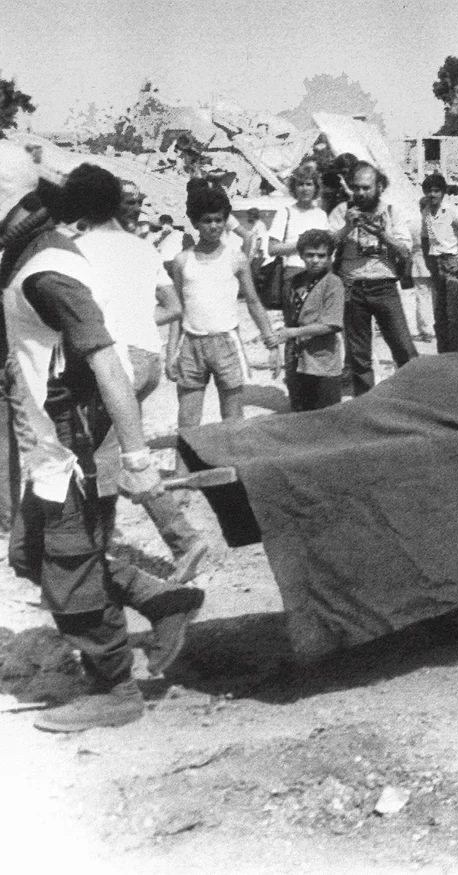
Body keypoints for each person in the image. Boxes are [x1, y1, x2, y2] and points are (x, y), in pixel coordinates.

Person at [3, 159, 202, 732]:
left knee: (67, 565)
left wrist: (137, 458)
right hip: (45, 439)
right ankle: (161, 599)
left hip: (68, 443)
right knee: (30, 555)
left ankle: (114, 687)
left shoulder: (47, 271)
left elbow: (106, 360)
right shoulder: (28, 257)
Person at [74, 175, 212, 585]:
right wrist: (133, 322)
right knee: (108, 452)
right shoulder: (142, 248)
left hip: (115, 361)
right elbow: (172, 306)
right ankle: (98, 549)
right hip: (147, 356)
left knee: (104, 458)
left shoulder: (76, 250)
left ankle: (182, 540)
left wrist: (112, 328)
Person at [166, 181, 276, 432]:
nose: (214, 226)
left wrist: (271, 341)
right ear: (195, 223)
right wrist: (171, 352)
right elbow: (177, 309)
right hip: (191, 345)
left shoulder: (236, 258)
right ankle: (185, 471)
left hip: (226, 343)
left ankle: (233, 468)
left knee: (233, 419)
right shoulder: (182, 261)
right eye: (206, 220)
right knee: (188, 421)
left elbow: (253, 301)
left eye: (218, 220)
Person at [328, 161, 417, 396]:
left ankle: (414, 397)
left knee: (403, 347)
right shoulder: (341, 211)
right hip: (352, 288)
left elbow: (406, 251)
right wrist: (347, 227)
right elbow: (325, 247)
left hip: (384, 285)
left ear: (379, 186)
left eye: (366, 188)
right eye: (356, 187)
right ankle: (366, 403)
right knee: (359, 356)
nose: (361, 193)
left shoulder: (392, 212)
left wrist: (381, 233)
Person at [269, 229, 344, 412]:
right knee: (299, 411)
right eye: (310, 255)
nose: (316, 260)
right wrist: (276, 347)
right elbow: (288, 319)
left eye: (321, 255)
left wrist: (292, 333)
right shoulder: (293, 282)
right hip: (296, 358)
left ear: (329, 257)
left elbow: (331, 324)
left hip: (322, 360)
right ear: (301, 255)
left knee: (327, 416)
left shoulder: (333, 283)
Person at [265, 164, 330, 303]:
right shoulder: (285, 212)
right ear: (294, 188)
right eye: (300, 184)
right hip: (294, 271)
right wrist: (303, 244)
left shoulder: (321, 215)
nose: (305, 189)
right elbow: (272, 249)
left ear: (315, 187)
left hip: (319, 272)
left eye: (309, 184)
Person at [420, 173, 458, 352]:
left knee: (453, 314)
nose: (432, 195)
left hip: (451, 260)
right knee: (439, 314)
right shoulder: (426, 212)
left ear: (443, 192)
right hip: (435, 262)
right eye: (429, 191)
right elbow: (424, 237)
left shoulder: (452, 210)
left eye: (436, 191)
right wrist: (428, 260)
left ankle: (457, 356)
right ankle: (443, 354)